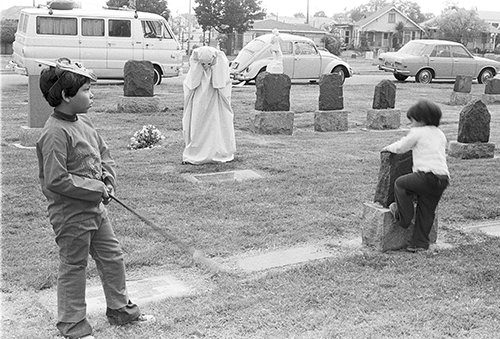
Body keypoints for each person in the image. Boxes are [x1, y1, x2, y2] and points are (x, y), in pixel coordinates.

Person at [36, 57, 154, 339]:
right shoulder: (54, 133)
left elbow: (104, 153)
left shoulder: (85, 123)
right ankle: (73, 325)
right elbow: (57, 179)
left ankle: (120, 311)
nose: (92, 95)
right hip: (70, 214)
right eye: (86, 90)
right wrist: (95, 188)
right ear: (66, 95)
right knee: (75, 267)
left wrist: (108, 179)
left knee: (112, 257)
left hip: (95, 210)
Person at [382, 99, 450, 253]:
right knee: (426, 211)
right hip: (442, 178)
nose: (411, 124)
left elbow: (401, 146)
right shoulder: (439, 133)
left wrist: (388, 148)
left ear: (421, 120)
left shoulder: (418, 132)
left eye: (412, 121)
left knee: (401, 183)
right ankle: (419, 243)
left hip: (426, 176)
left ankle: (403, 217)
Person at [182, 46, 236, 164]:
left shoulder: (218, 71)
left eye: (209, 64)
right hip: (199, 100)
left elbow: (221, 84)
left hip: (215, 101)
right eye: (202, 64)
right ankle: (198, 151)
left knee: (215, 124)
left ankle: (216, 150)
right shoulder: (198, 73)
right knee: (198, 123)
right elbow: (192, 83)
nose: (206, 67)